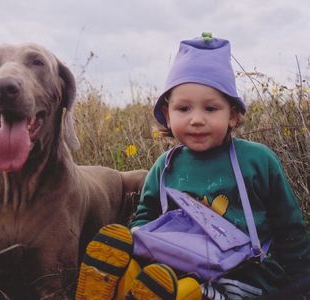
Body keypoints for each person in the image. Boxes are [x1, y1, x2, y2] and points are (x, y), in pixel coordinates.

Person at [75, 33, 310, 300]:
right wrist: (139, 237)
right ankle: (112, 281)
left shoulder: (257, 160)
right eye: (184, 109)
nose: (196, 119)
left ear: (232, 115)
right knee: (144, 272)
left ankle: (152, 291)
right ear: (167, 114)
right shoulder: (165, 167)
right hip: (174, 266)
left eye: (211, 109)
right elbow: (146, 216)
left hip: (243, 275)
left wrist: (299, 284)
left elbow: (290, 227)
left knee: (192, 293)